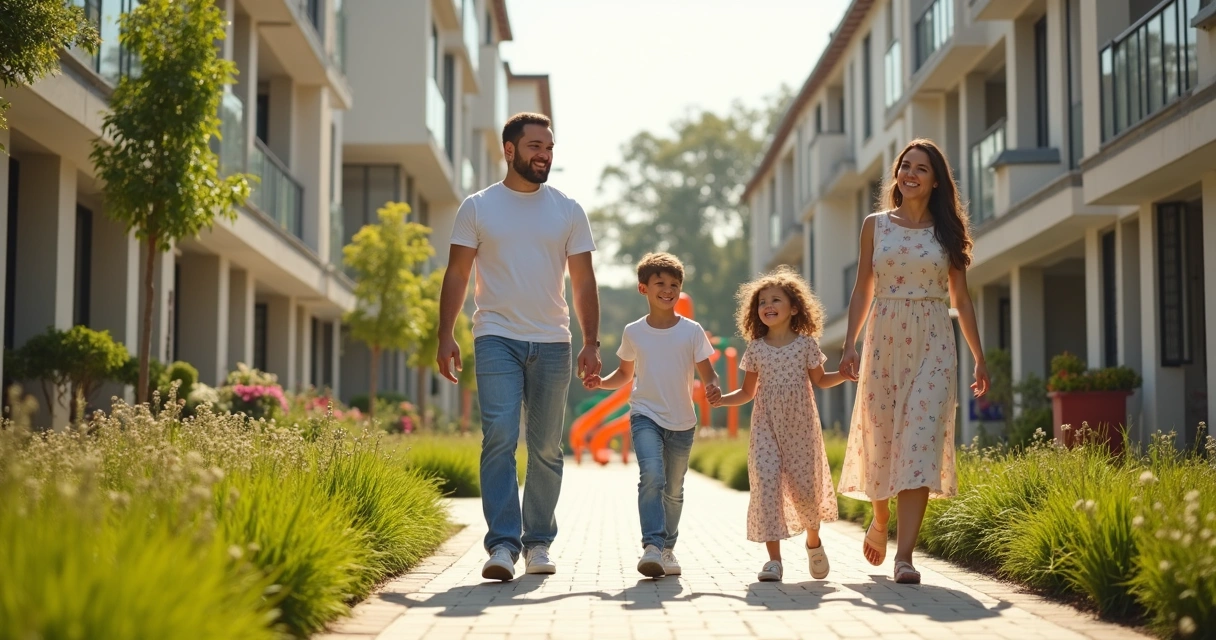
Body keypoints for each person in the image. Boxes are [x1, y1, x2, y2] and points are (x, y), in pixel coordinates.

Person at [436, 112, 602, 582]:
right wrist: (444, 333)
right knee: (500, 438)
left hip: (553, 340)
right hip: (495, 336)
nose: (544, 154)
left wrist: (592, 342)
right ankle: (504, 546)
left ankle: (539, 543)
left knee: (547, 447)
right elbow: (457, 274)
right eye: (534, 146)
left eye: (548, 147)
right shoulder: (478, 206)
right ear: (509, 151)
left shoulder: (568, 209)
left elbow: (584, 281)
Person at [837, 138, 989, 585]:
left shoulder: (949, 231)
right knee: (882, 438)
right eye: (905, 166)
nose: (910, 173)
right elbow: (864, 286)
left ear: (935, 180)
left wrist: (980, 357)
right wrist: (849, 344)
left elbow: (961, 296)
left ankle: (905, 556)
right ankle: (879, 519)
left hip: (934, 340)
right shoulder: (875, 225)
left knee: (920, 442)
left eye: (921, 168)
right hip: (884, 337)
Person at [582, 252, 720, 578]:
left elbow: (709, 374)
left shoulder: (692, 331)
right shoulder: (634, 332)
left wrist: (713, 387)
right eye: (660, 283)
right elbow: (624, 374)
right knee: (652, 476)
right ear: (644, 288)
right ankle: (652, 546)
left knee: (673, 489)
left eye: (674, 284)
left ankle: (668, 549)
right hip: (644, 414)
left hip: (683, 421)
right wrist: (600, 382)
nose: (668, 289)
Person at [715, 266, 846, 583]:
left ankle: (813, 542)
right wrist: (722, 399)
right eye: (761, 302)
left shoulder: (805, 345)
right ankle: (774, 561)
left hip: (800, 428)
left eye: (775, 300)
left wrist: (844, 374)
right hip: (766, 429)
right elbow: (747, 392)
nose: (767, 306)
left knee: (804, 490)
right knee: (767, 485)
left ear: (795, 307)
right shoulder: (756, 349)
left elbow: (821, 380)